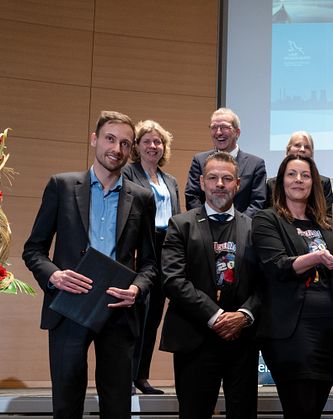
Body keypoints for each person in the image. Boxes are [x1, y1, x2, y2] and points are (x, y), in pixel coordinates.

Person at [23, 110, 157, 418]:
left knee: (117, 407)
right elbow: (34, 249)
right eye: (110, 139)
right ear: (94, 139)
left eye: (125, 143)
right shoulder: (61, 186)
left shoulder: (141, 197)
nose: (117, 149)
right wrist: (54, 275)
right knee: (67, 404)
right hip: (70, 306)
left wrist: (136, 289)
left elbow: (150, 263)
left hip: (118, 309)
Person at [160, 151, 261, 418]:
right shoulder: (180, 225)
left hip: (242, 340)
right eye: (213, 178)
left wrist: (243, 315)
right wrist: (215, 316)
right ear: (202, 182)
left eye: (227, 178)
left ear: (237, 185)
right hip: (195, 338)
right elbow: (173, 279)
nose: (220, 184)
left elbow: (265, 283)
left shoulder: (254, 228)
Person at [252, 154, 333, 418]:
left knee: (314, 409)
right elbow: (277, 265)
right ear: (280, 181)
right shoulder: (267, 219)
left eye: (305, 175)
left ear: (314, 182)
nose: (299, 180)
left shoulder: (327, 222)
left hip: (329, 330)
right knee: (300, 409)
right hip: (290, 331)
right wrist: (318, 257)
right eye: (292, 174)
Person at [121, 119, 180, 395]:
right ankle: (127, 376)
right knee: (135, 315)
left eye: (158, 142)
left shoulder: (171, 180)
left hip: (166, 247)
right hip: (139, 248)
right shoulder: (128, 174)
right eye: (147, 141)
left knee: (154, 314)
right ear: (138, 146)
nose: (153, 146)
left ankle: (141, 377)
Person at [185, 107, 267, 217]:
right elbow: (192, 196)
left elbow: (258, 202)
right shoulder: (199, 160)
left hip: (242, 230)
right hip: (205, 229)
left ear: (237, 132)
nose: (218, 132)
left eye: (224, 127)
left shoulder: (255, 164)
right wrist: (205, 222)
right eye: (214, 127)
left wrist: (240, 225)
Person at [265, 131, 333, 214]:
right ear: (288, 150)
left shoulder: (323, 183)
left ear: (312, 153)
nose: (302, 149)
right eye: (297, 145)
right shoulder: (272, 184)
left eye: (307, 147)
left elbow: (328, 215)